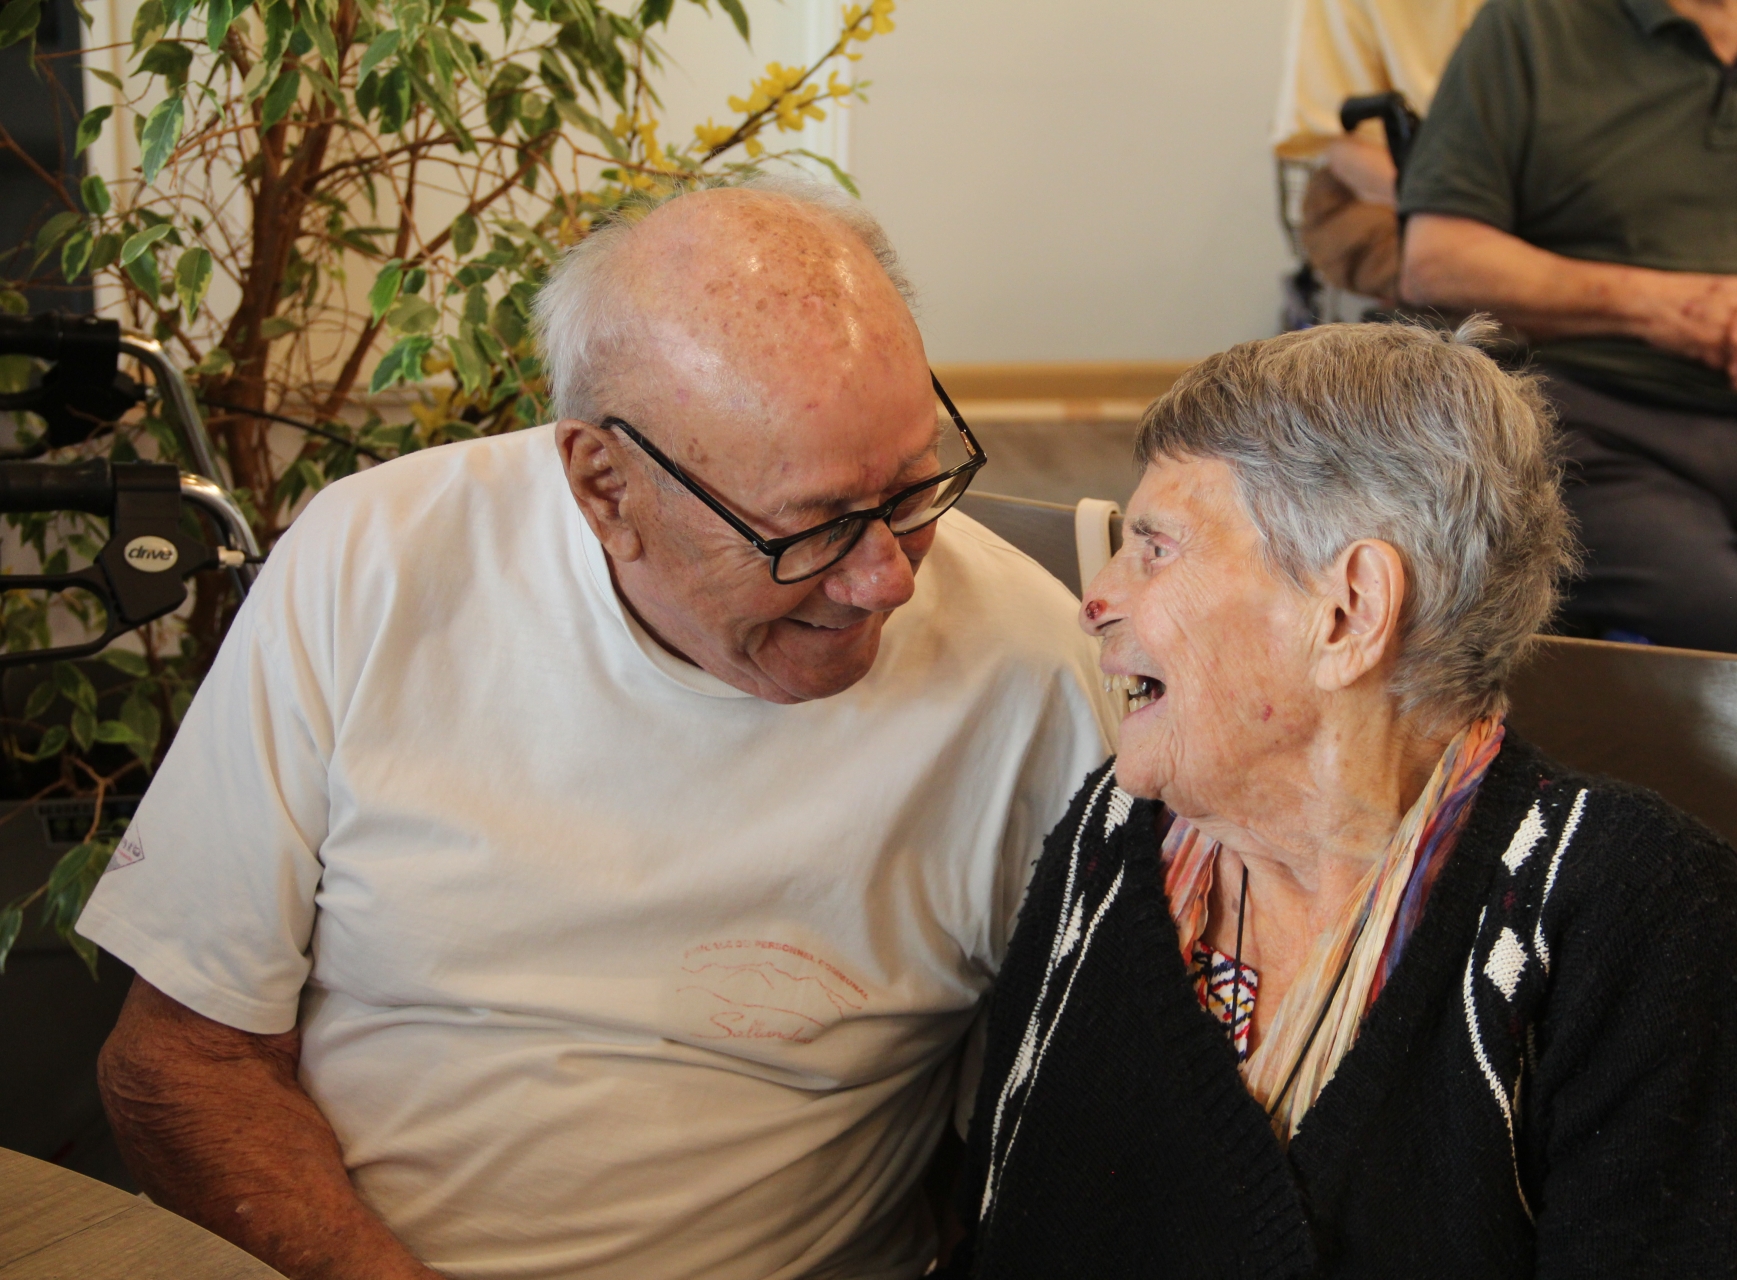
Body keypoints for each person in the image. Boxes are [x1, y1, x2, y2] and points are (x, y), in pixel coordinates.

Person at [75, 181, 1113, 1280]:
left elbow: (1102, 1126)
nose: (885, 578)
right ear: (604, 484)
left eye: (913, 489)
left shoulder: (1028, 669)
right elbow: (182, 1059)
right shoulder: (375, 563)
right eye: (814, 529)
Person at [948, 322, 1737, 1279]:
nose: (1096, 599)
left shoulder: (1624, 907)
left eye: (1155, 550)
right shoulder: (1115, 829)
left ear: (1349, 612)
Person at [1396, 0, 1737, 1186]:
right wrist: (1653, 299)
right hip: (1600, 415)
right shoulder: (1531, 28)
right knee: (1715, 642)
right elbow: (1436, 255)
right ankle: (1703, 1006)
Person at [1271, 0, 1485, 303]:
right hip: (1383, 189)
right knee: (1451, 274)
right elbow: (1341, 145)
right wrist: (1453, 210)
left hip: (1510, 189)